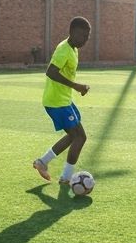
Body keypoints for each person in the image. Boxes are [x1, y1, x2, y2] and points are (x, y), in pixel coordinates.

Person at [33, 17, 92, 186]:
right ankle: (66, 178)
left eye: (88, 37)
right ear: (72, 32)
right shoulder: (64, 50)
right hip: (57, 102)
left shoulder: (73, 49)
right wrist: (75, 86)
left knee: (75, 136)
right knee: (80, 137)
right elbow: (50, 72)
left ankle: (42, 162)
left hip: (63, 100)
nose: (85, 40)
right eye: (83, 36)